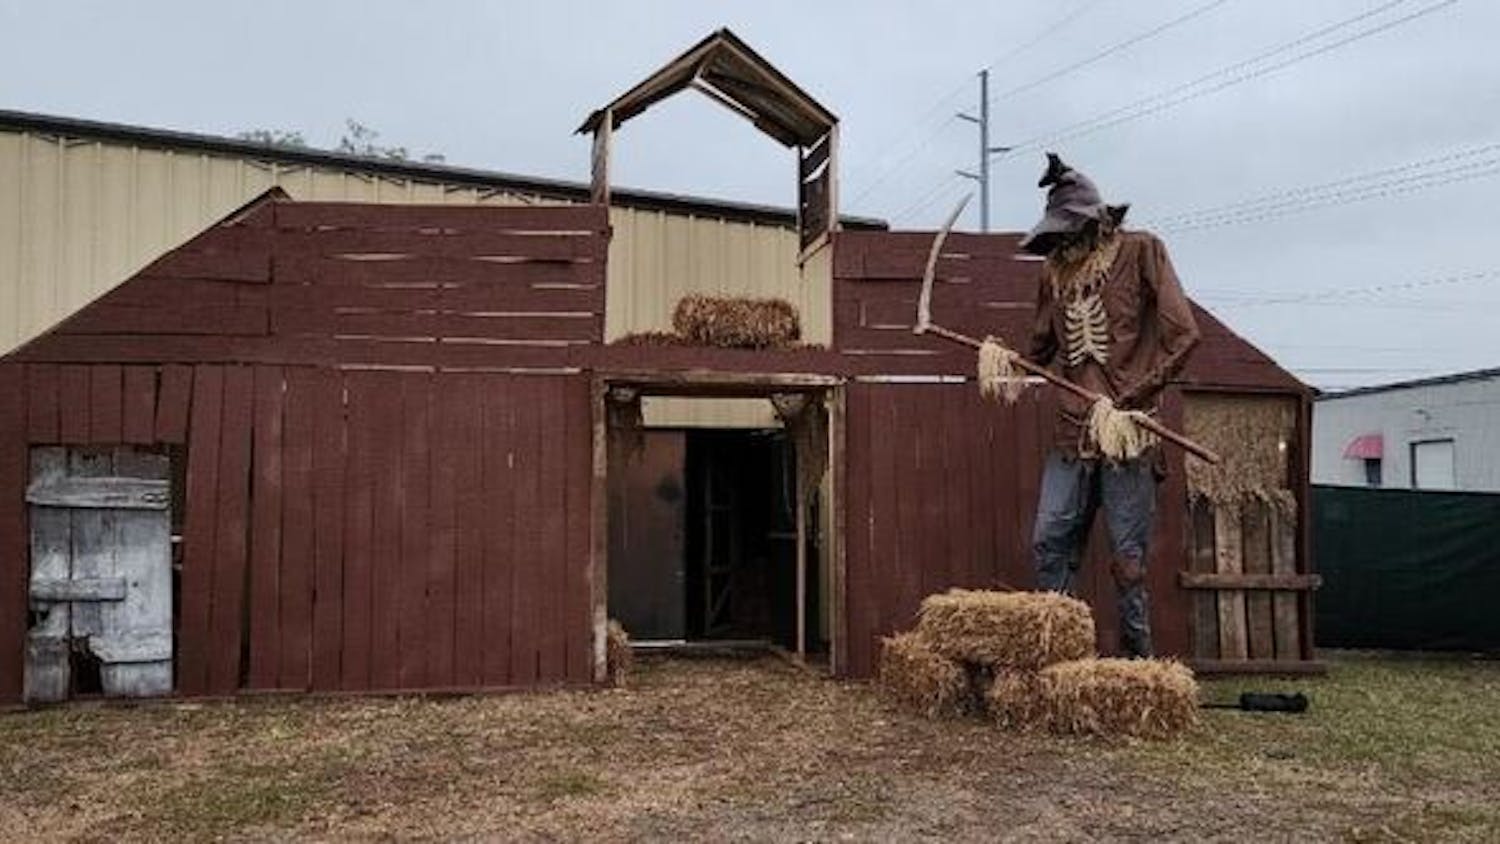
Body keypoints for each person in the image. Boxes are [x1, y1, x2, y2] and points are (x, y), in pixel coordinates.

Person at [1015, 153, 1200, 658]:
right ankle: (1059, 655)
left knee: (1128, 559)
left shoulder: (1141, 252)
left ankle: (1137, 667)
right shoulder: (1051, 277)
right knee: (1049, 539)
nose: (1063, 244)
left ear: (1096, 222)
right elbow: (1039, 349)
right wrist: (1004, 361)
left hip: (1127, 434)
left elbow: (1184, 336)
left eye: (1070, 231)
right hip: (1071, 434)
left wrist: (1133, 398)